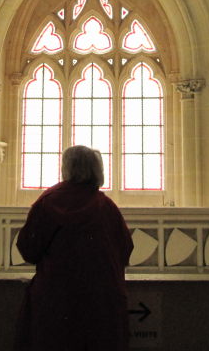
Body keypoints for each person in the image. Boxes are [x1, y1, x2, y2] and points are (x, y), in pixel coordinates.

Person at [15, 145, 134, 351]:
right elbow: (125, 249)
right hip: (101, 301)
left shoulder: (48, 202)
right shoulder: (106, 207)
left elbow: (28, 248)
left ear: (66, 168)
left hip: (56, 299)